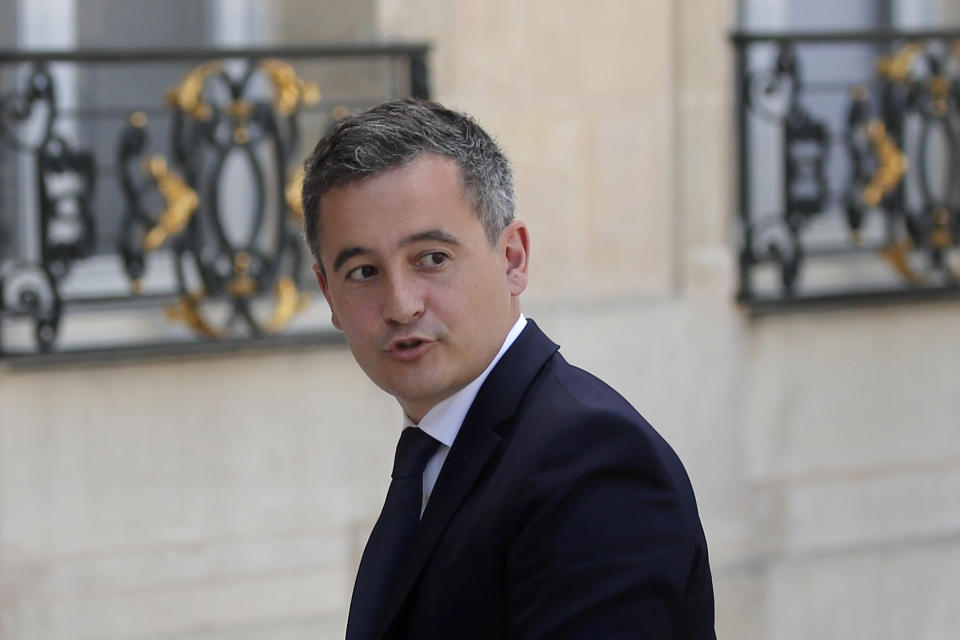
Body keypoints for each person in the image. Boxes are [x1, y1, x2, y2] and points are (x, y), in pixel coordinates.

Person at [301, 99, 715, 640]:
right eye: (362, 272)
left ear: (513, 259)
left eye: (432, 258)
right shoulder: (439, 450)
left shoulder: (591, 459)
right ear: (329, 294)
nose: (401, 304)